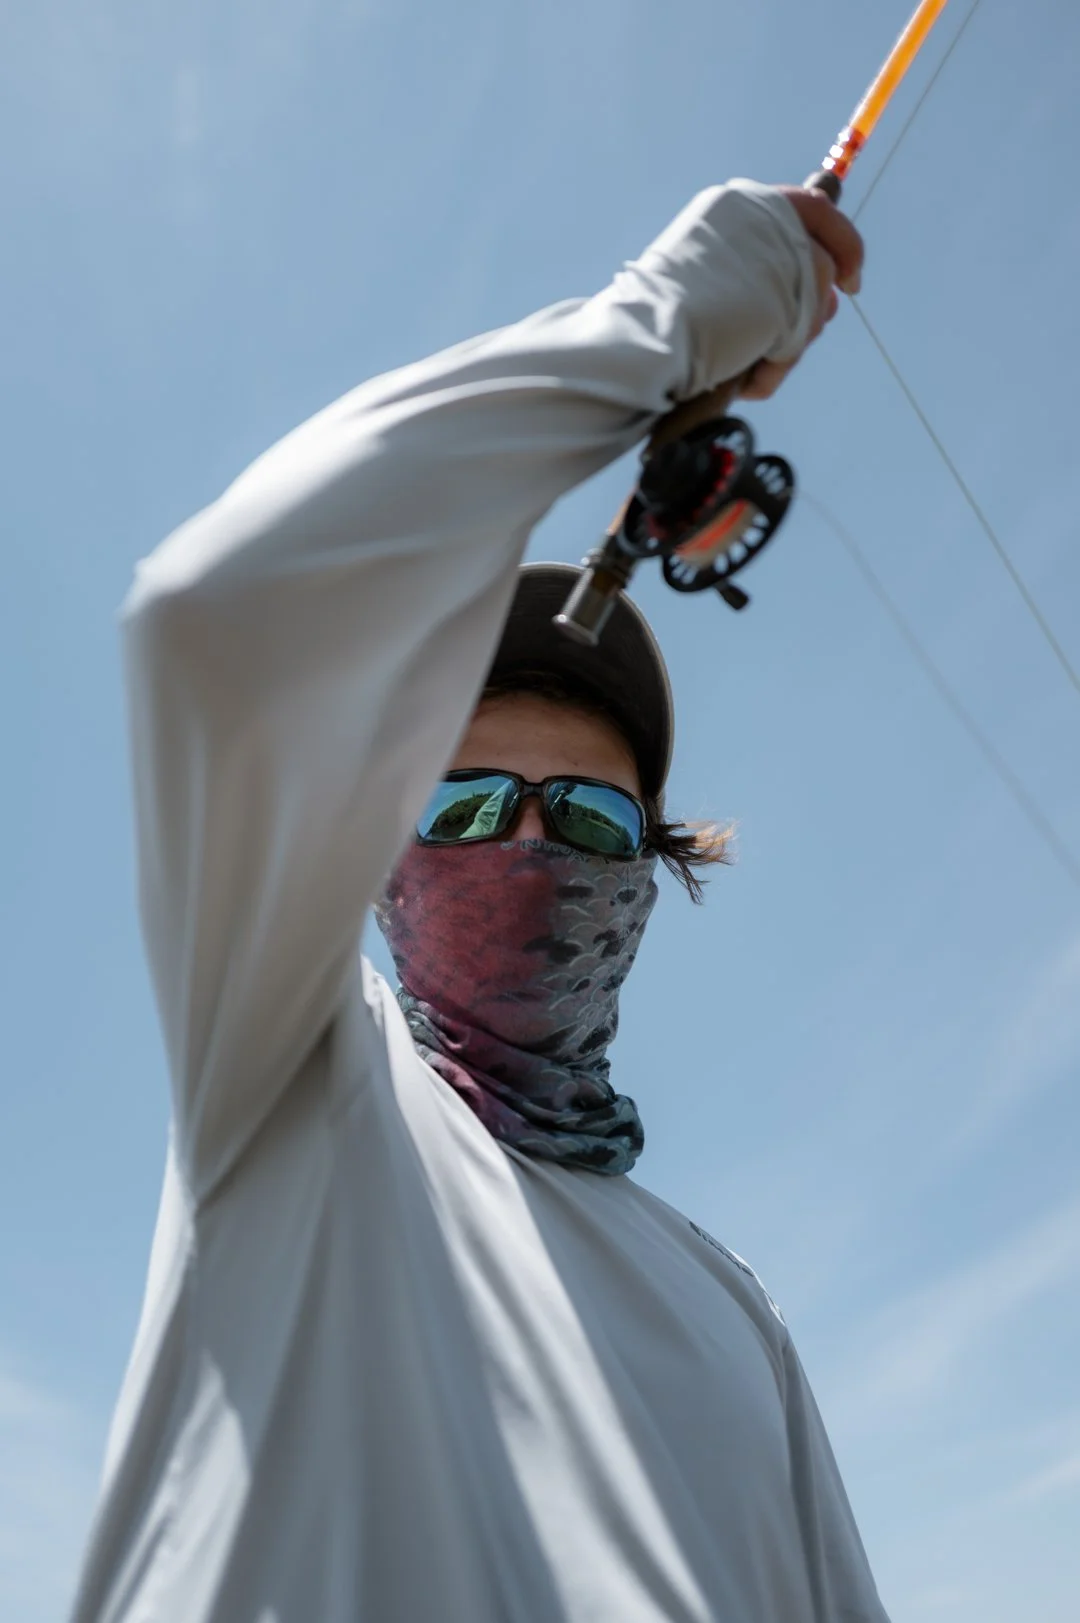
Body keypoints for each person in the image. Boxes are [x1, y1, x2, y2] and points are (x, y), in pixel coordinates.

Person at [70, 180, 881, 1622]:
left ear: (649, 871)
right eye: (456, 807)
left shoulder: (737, 1316)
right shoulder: (291, 1102)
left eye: (582, 815)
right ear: (369, 863)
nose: (520, 843)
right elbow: (214, 616)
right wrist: (657, 322)